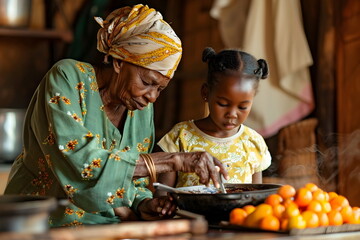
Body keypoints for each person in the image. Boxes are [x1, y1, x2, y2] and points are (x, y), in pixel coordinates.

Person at [4, 5, 227, 227]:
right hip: (40, 224)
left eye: (160, 89)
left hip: (108, 225)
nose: (152, 97)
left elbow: (134, 183)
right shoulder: (67, 77)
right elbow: (81, 162)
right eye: (148, 82)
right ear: (119, 62)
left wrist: (142, 204)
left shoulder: (139, 107)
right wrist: (174, 160)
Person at [156, 47, 271, 194]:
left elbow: (256, 195)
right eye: (223, 104)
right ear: (206, 93)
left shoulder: (254, 142)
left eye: (243, 107)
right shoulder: (181, 136)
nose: (232, 114)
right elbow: (162, 193)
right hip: (189, 216)